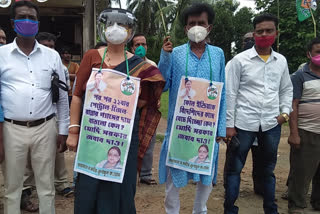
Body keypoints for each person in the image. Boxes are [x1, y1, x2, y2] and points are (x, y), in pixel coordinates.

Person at [66, 8, 164, 214]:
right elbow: (77, 94)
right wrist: (74, 131)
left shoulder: (140, 65)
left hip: (124, 136)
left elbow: (147, 98)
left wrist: (118, 106)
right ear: (103, 28)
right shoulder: (92, 56)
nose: (115, 29)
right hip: (93, 135)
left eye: (122, 25)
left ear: (130, 31)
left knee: (120, 185)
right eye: (110, 24)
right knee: (89, 184)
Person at [0, 1, 69, 214]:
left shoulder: (52, 56)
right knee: (12, 186)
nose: (28, 21)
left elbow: (62, 96)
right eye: (23, 17)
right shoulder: (2, 55)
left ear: (38, 23)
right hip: (12, 128)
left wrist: (63, 130)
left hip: (45, 127)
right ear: (13, 23)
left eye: (32, 18)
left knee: (46, 186)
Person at [158, 3, 226, 214]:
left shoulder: (218, 54)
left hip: (207, 127)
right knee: (172, 174)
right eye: (192, 24)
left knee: (206, 173)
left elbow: (223, 92)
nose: (196, 27)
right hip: (180, 127)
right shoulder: (176, 53)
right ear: (185, 28)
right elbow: (163, 85)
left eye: (201, 23)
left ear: (209, 27)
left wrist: (220, 129)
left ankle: (200, 210)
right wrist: (165, 57)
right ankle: (172, 211)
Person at [224, 14, 293, 214]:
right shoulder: (239, 61)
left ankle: (271, 210)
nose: (264, 34)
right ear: (254, 34)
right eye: (260, 31)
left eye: (268, 30)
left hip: (271, 125)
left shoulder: (281, 61)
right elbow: (231, 93)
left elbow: (286, 90)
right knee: (234, 170)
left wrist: (285, 114)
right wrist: (229, 125)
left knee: (268, 172)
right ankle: (230, 210)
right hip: (243, 125)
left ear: (276, 33)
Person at [224, 32, 264, 196]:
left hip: (262, 121)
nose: (249, 42)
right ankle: (230, 188)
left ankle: (260, 188)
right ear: (241, 43)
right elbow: (228, 93)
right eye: (245, 40)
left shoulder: (269, 62)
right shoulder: (234, 62)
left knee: (261, 158)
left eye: (251, 39)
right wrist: (229, 123)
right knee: (235, 158)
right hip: (240, 120)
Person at [287, 37, 320, 214]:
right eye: (318, 51)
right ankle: (296, 205)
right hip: (307, 131)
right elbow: (293, 105)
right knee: (301, 173)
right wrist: (294, 133)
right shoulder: (300, 76)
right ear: (309, 54)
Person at [131, 33, 159, 185]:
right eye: (137, 45)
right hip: (130, 109)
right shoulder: (127, 63)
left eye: (144, 44)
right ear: (132, 47)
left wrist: (157, 101)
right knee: (130, 142)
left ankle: (146, 174)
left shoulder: (152, 65)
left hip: (148, 108)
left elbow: (157, 86)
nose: (141, 47)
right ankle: (129, 174)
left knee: (148, 141)